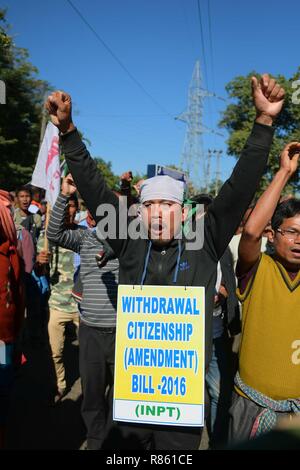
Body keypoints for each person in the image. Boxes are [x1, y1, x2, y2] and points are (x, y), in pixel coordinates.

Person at [46, 74, 285, 450]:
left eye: (168, 205)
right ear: (139, 212)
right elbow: (93, 189)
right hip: (132, 395)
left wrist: (265, 123)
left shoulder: (205, 241)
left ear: (184, 211)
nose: (158, 213)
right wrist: (70, 132)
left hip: (181, 399)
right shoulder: (128, 242)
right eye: (151, 204)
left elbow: (239, 188)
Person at [229, 142, 300, 443]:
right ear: (273, 236)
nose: (299, 240)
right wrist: (284, 172)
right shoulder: (258, 269)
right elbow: (250, 232)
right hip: (251, 407)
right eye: (292, 231)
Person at [47, 175, 119, 449]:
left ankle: (113, 440)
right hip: (89, 331)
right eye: (95, 208)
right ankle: (96, 440)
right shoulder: (85, 239)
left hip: (123, 332)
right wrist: (65, 195)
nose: (99, 212)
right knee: (91, 395)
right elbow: (54, 234)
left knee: (119, 395)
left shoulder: (130, 242)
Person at [0, 190, 25, 448]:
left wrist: (17, 336)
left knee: (3, 391)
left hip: (3, 340)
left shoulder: (11, 253)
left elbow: (18, 296)